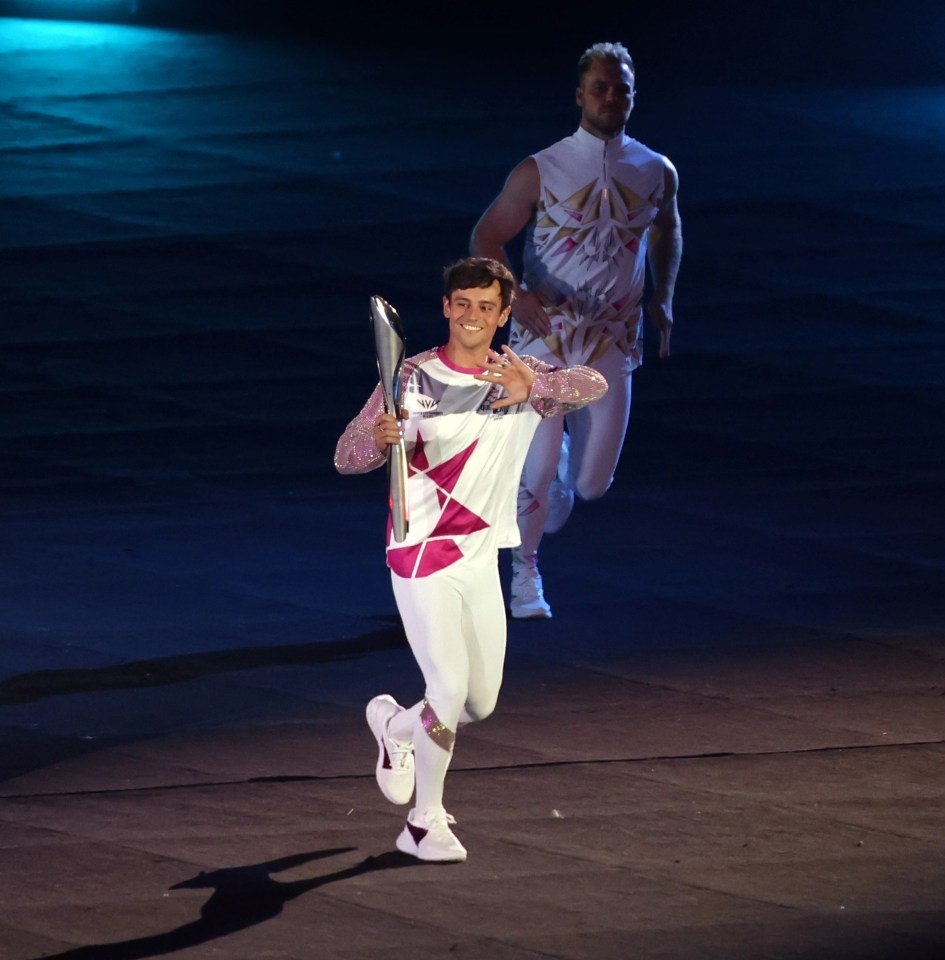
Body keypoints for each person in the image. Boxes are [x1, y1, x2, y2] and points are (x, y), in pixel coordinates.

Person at [334, 257, 607, 862]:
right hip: (418, 552)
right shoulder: (408, 378)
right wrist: (373, 442)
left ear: (505, 314)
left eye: (487, 307)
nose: (474, 316)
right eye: (464, 304)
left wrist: (534, 388)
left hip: (481, 557)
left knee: (478, 702)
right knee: (448, 686)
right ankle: (423, 822)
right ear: (446, 307)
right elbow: (346, 456)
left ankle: (394, 728)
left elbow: (594, 384)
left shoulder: (520, 373)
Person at [470, 41, 683, 619]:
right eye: (601, 89)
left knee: (590, 486)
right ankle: (524, 576)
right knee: (536, 471)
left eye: (622, 90)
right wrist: (516, 298)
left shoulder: (654, 168)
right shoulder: (542, 167)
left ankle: (561, 471)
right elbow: (486, 237)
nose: (612, 98)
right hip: (543, 341)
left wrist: (661, 299)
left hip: (612, 339)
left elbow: (666, 228)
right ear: (580, 96)